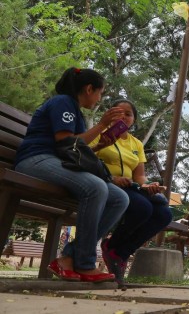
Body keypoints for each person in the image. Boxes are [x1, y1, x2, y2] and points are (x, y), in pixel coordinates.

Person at [14, 67, 129, 282]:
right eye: (100, 93)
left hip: (56, 161)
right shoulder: (63, 102)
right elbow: (65, 141)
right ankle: (85, 264)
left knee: (120, 198)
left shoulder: (75, 110)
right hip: (35, 160)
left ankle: (68, 256)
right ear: (89, 89)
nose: (99, 98)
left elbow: (74, 150)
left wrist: (98, 145)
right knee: (96, 187)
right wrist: (103, 124)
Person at [95, 99, 173, 288]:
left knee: (164, 213)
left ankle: (118, 253)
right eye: (118, 112)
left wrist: (149, 185)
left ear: (134, 120)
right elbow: (86, 159)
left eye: (128, 114)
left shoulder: (136, 143)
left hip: (130, 187)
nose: (123, 117)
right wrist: (111, 177)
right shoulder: (98, 135)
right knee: (142, 207)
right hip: (105, 184)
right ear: (109, 114)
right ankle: (113, 249)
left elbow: (139, 176)